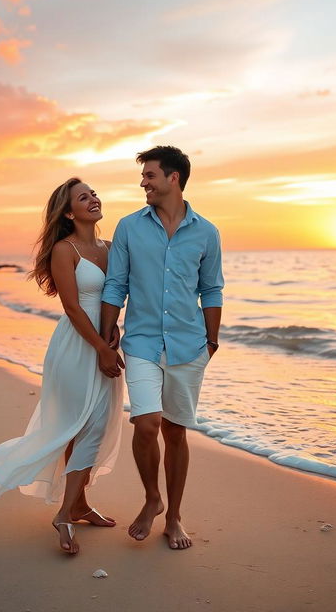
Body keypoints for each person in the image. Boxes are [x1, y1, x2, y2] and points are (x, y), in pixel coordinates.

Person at [0, 177, 124, 555]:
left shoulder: (111, 248)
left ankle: (78, 503)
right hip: (76, 346)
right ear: (67, 211)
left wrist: (115, 335)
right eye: (83, 197)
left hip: (104, 342)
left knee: (90, 424)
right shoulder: (65, 249)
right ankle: (64, 512)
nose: (93, 199)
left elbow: (116, 298)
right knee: (83, 425)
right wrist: (101, 348)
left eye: (94, 192)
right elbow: (73, 308)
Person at [100, 146, 224, 550]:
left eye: (150, 175)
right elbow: (115, 284)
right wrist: (107, 334)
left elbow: (211, 289)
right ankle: (153, 498)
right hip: (141, 341)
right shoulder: (129, 227)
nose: (143, 183)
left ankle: (174, 517)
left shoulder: (207, 232)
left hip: (189, 346)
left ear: (174, 178)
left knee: (175, 431)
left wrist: (211, 341)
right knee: (147, 423)